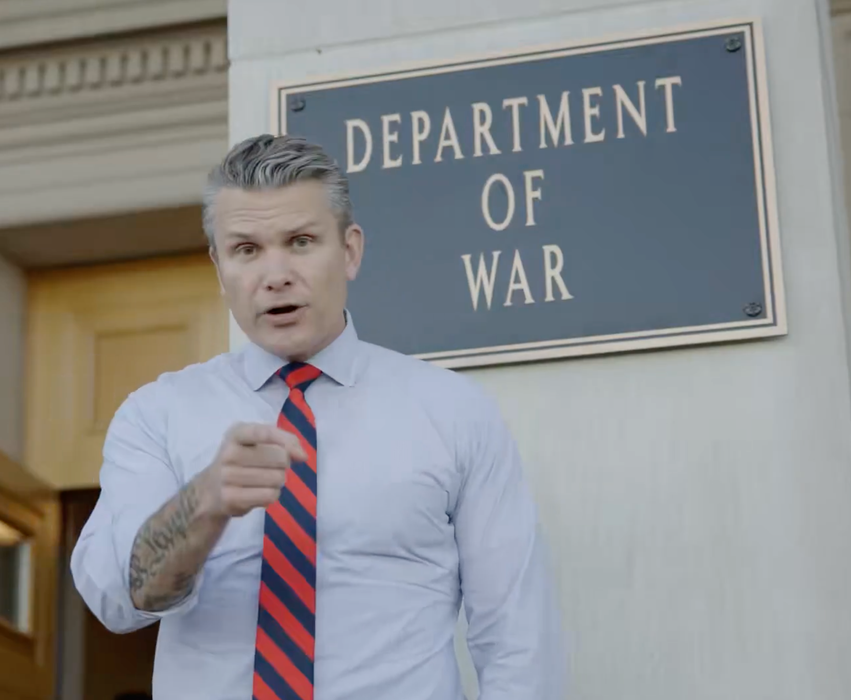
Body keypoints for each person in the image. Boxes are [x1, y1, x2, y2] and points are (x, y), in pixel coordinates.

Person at [71, 133, 564, 700]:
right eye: (246, 250)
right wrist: (202, 502)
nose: (275, 274)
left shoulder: (453, 412)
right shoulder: (156, 414)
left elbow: (517, 637)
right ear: (218, 267)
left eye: (301, 242)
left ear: (350, 250)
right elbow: (119, 601)